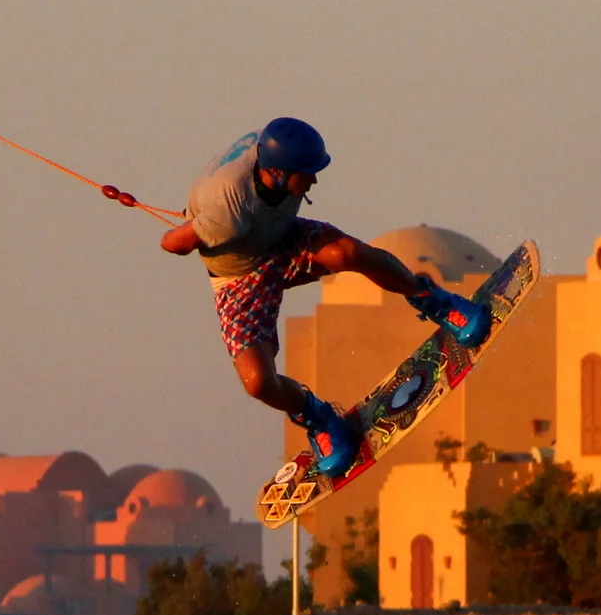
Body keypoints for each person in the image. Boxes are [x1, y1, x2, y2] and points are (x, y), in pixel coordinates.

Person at [159, 117, 490, 477]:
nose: (315, 180)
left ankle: (434, 300)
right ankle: (316, 416)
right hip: (239, 280)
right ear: (278, 172)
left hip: (283, 240)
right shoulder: (228, 212)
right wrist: (195, 229)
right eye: (308, 173)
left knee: (347, 253)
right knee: (257, 383)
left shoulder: (269, 151)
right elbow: (172, 243)